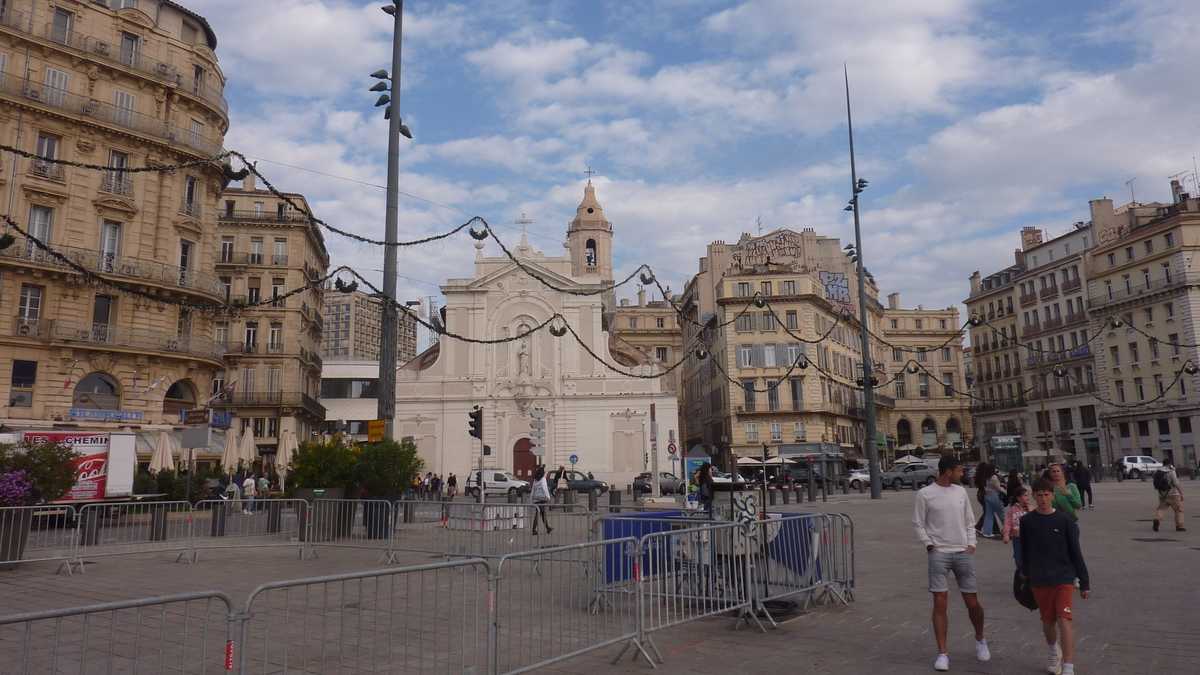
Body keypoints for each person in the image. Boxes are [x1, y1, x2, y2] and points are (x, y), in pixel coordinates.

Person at [913, 456, 989, 672]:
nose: (962, 473)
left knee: (972, 601)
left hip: (963, 551)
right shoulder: (925, 494)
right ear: (947, 472)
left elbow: (969, 519)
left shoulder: (961, 491)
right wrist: (929, 545)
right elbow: (918, 523)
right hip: (939, 553)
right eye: (959, 470)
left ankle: (980, 638)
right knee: (940, 602)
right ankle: (943, 653)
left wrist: (972, 543)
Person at [1020, 479, 1091, 675]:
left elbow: (1076, 552)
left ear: (1052, 495)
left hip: (1063, 577)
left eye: (1046, 494)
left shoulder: (1065, 520)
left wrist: (1084, 582)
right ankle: (1053, 650)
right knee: (1048, 622)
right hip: (1040, 579)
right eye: (1039, 495)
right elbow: (1024, 552)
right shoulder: (1027, 521)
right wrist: (1025, 575)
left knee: (1064, 618)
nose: (1043, 499)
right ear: (1034, 495)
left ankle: (1068, 665)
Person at [1001, 485, 1031, 569]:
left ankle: (1028, 574)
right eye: (1025, 495)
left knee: (1030, 557)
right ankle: (1021, 572)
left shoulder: (1031, 509)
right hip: (1017, 538)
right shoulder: (1012, 510)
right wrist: (1006, 534)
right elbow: (1007, 523)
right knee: (1018, 559)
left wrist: (1030, 509)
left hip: (1029, 537)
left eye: (1028, 495)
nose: (1027, 497)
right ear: (1018, 498)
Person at [1152, 461, 1185, 532]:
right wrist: (1181, 493)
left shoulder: (1158, 471)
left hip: (1162, 494)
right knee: (1179, 510)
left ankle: (1157, 519)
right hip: (1173, 494)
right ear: (1169, 464)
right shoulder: (1171, 471)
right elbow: (1176, 483)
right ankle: (1179, 526)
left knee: (1161, 509)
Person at [981, 465, 1006, 539]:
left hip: (987, 496)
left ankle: (987, 532)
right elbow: (998, 488)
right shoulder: (994, 477)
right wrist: (1005, 491)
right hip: (995, 496)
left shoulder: (986, 477)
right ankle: (1007, 530)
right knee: (1002, 514)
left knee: (989, 515)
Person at [530, 465, 553, 535]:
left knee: (542, 514)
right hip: (542, 498)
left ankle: (548, 528)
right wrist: (548, 497)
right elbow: (545, 488)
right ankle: (534, 530)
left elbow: (533, 489)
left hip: (536, 498)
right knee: (539, 514)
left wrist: (531, 499)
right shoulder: (543, 479)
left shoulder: (535, 480)